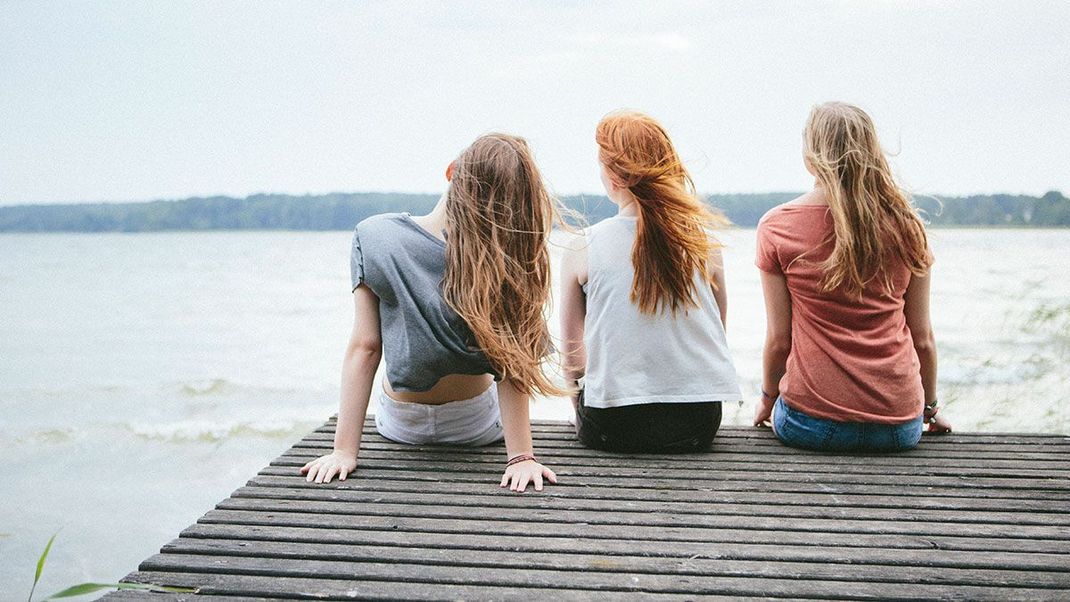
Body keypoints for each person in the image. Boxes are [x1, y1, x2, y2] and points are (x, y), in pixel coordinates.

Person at [301, 133, 564, 492]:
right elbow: (512, 365)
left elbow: (366, 347)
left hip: (400, 425)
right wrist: (521, 457)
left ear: (451, 172)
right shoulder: (509, 258)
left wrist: (344, 451)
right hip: (475, 426)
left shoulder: (376, 236)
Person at [753, 102, 952, 452]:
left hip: (809, 424)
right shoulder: (908, 227)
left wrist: (768, 401)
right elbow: (923, 338)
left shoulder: (777, 226)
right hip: (900, 428)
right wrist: (930, 411)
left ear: (810, 154)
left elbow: (778, 341)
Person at [559, 110, 742, 453]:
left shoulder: (583, 245)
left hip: (612, 427)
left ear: (615, 177)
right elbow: (717, 335)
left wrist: (581, 415)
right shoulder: (704, 243)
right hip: (698, 425)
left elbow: (573, 358)